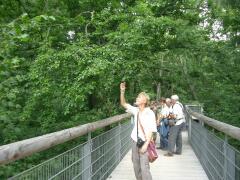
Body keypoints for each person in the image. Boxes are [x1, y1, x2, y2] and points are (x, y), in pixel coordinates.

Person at [120, 82, 157, 180]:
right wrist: (122, 91)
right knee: (136, 167)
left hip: (145, 142)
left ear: (144, 101)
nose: (137, 98)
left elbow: (150, 131)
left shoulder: (149, 113)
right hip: (134, 141)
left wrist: (146, 145)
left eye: (139, 97)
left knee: (144, 168)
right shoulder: (135, 110)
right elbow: (123, 103)